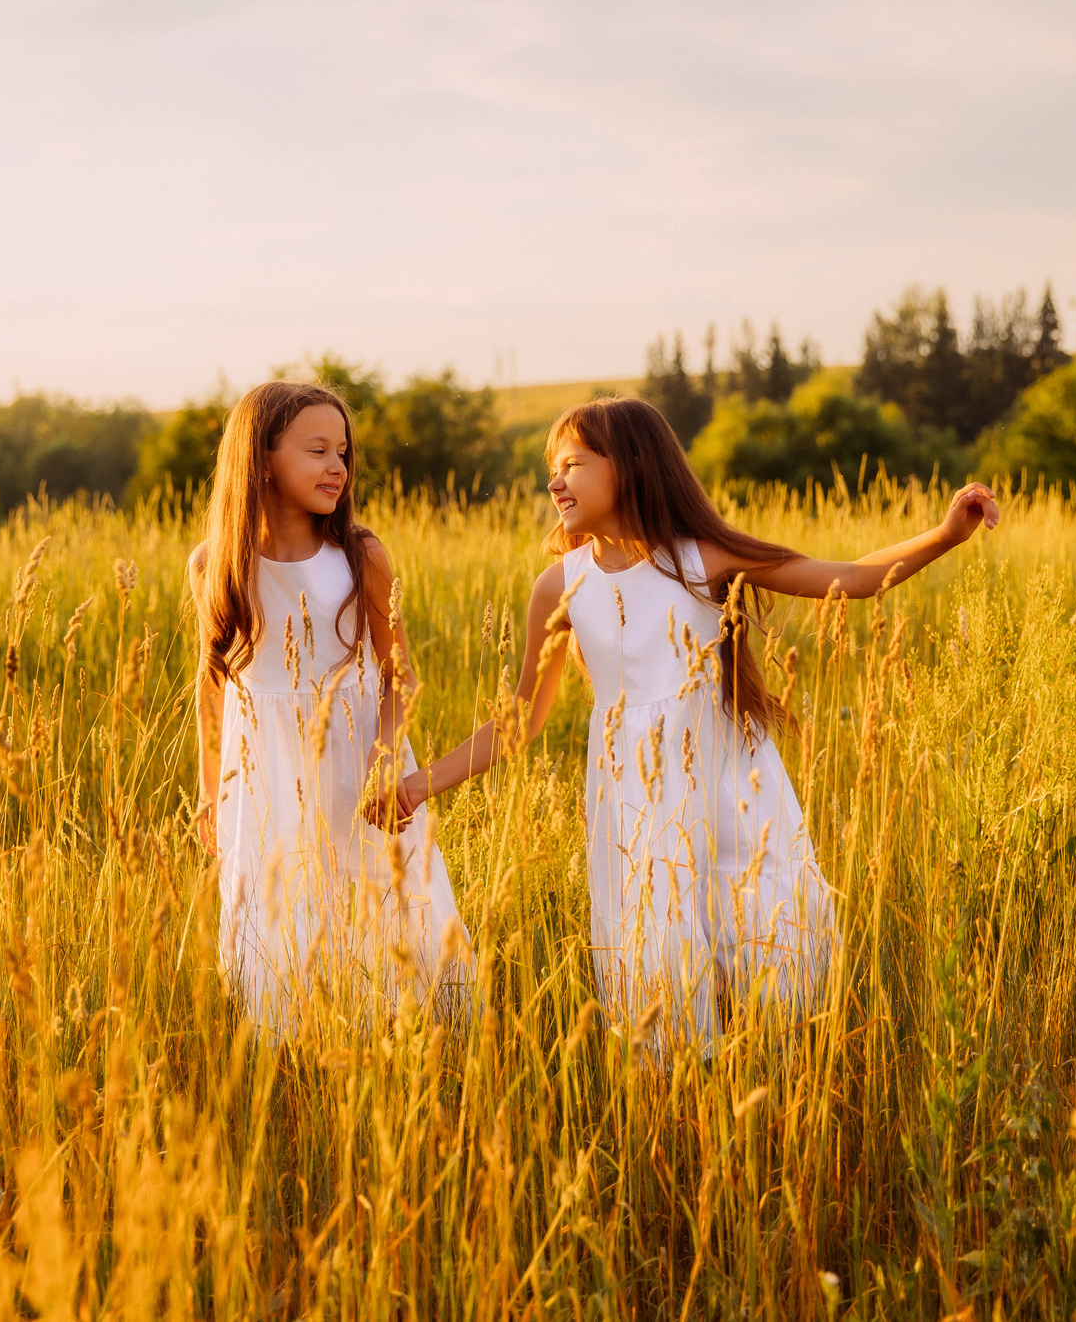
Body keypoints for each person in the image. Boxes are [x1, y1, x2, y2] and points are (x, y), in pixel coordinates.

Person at [369, 397, 999, 1043]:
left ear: (630, 465)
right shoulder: (560, 585)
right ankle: (675, 1085)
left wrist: (945, 535)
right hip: (634, 797)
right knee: (657, 948)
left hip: (728, 781)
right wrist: (419, 784)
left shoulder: (701, 559)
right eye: (552, 468)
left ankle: (776, 1067)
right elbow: (519, 719)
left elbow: (850, 578)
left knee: (758, 926)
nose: (555, 482)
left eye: (572, 464)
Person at [190, 381, 471, 1033]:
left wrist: (384, 759)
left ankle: (407, 1045)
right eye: (317, 450)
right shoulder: (213, 565)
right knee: (278, 911)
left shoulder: (359, 556)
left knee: (381, 903)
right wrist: (211, 794)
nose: (337, 467)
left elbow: (401, 676)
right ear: (262, 459)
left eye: (342, 452)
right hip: (263, 776)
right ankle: (294, 1055)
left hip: (356, 761)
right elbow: (213, 686)